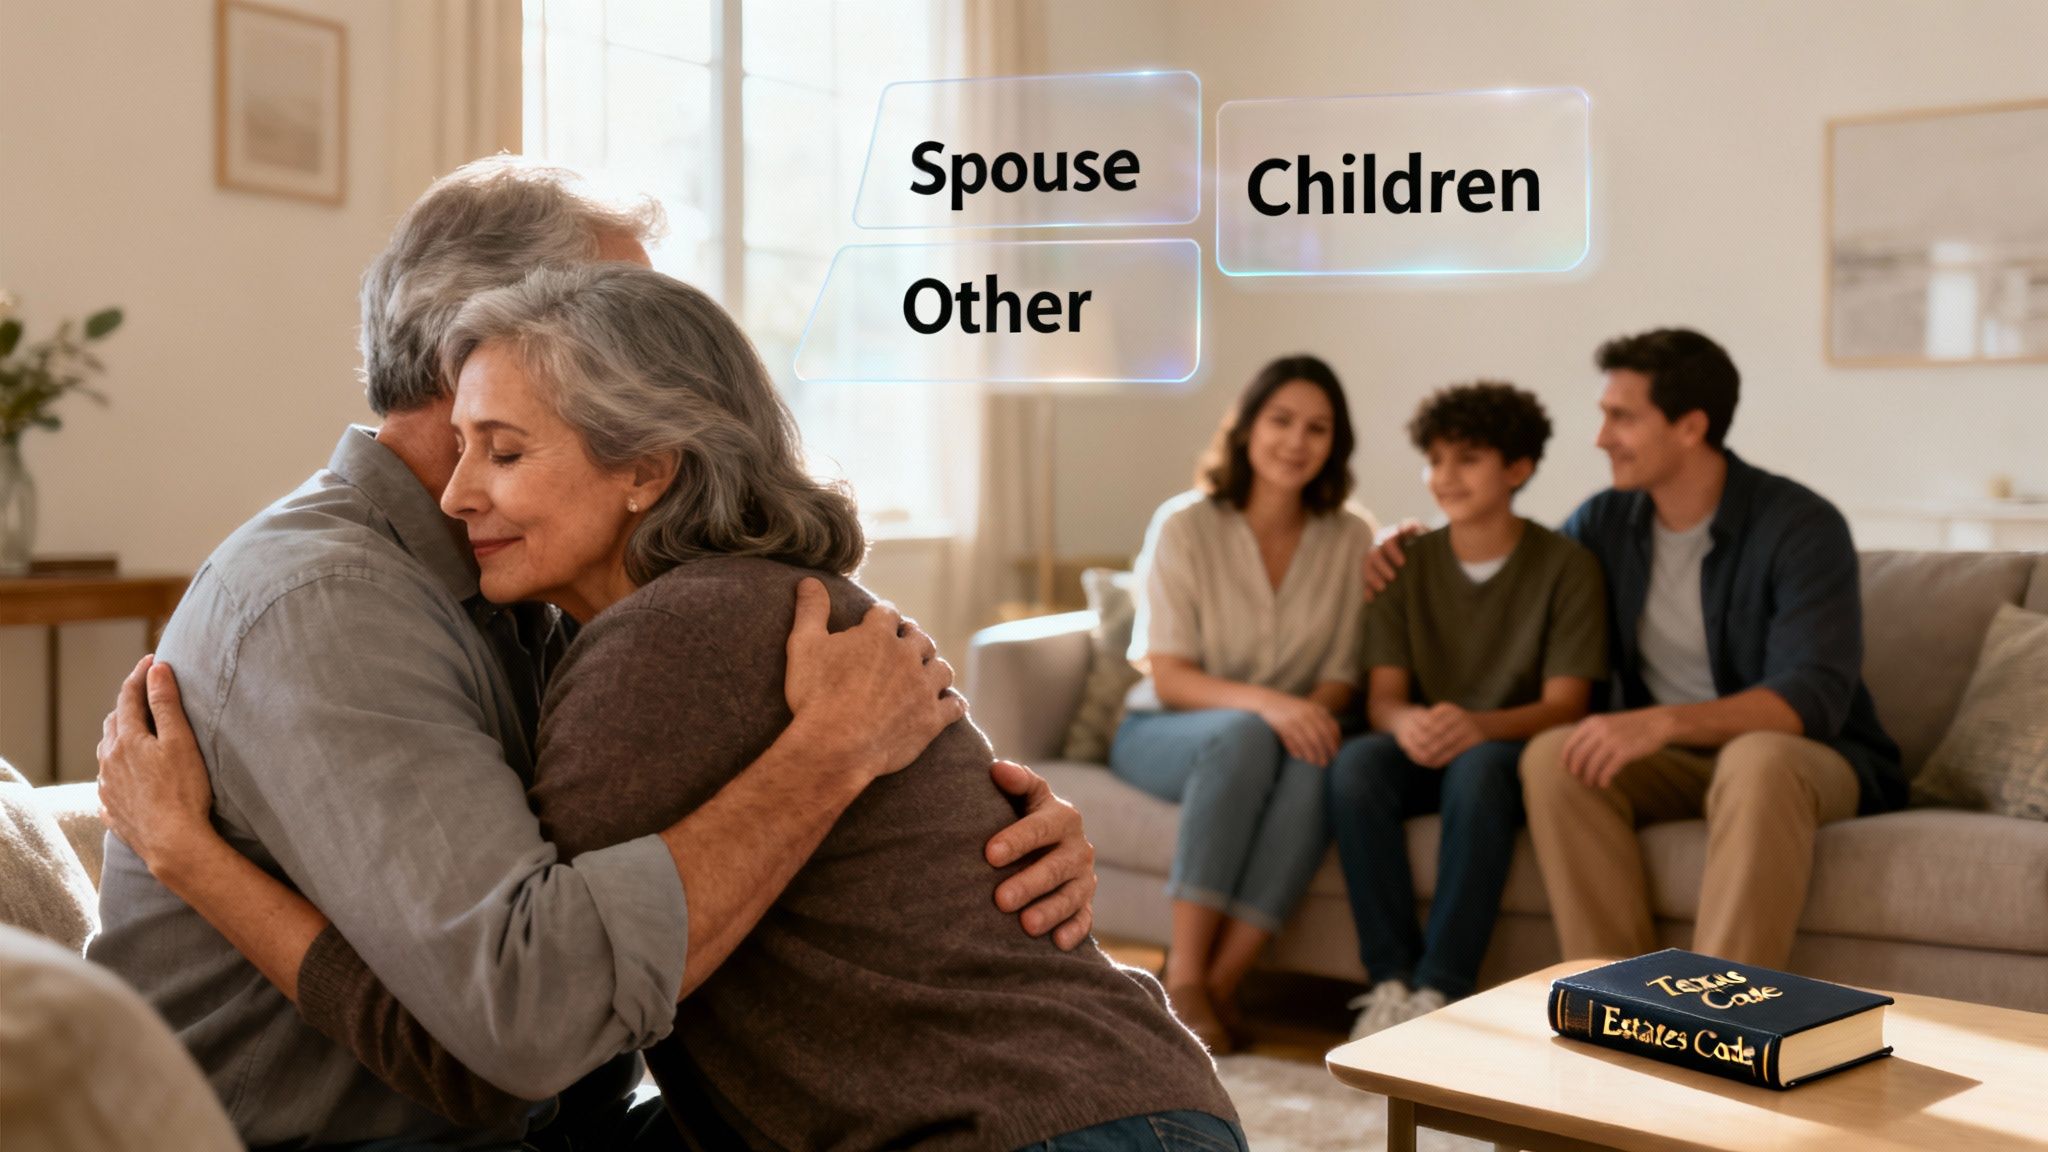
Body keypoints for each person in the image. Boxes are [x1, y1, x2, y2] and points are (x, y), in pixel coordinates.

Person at [103, 263, 1245, 1152]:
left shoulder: (665, 648)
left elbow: (494, 1050)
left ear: (644, 465)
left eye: (503, 451)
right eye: (461, 448)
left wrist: (189, 855)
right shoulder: (751, 611)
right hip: (1105, 1107)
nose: (456, 494)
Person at [1366, 329, 1904, 970]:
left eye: (1621, 417)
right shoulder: (1603, 524)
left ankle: (1719, 1019)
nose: (1600, 438)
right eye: (1603, 416)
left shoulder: (1801, 526)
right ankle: (1617, 1002)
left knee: (1758, 759)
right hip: (1674, 762)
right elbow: (1523, 575)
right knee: (1555, 757)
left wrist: (1661, 721)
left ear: (1690, 426)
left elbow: (1808, 699)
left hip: (1808, 759)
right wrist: (1413, 543)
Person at [1109, 354, 1377, 1053]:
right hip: (1163, 732)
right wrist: (1274, 708)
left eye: (1317, 428)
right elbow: (1169, 676)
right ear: (1248, 427)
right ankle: (1185, 979)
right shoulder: (1185, 524)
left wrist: (1307, 711)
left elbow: (1343, 675)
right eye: (1281, 420)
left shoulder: (1351, 537)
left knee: (1321, 757)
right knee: (1245, 737)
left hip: (1276, 737)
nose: (1296, 441)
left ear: (1334, 444)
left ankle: (1226, 982)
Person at [1327, 382, 1605, 1039]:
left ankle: (1442, 988)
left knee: (1478, 770)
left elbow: (1565, 704)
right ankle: (1388, 984)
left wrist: (1480, 726)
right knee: (1356, 764)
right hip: (1423, 744)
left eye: (1468, 459)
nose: (1445, 477)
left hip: (1505, 746)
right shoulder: (1404, 564)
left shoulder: (1567, 567)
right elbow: (1385, 697)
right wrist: (1406, 723)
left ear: (1518, 468)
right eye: (1436, 460)